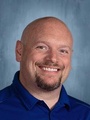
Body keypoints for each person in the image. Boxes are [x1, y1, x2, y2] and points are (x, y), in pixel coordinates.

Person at [0, 17, 90, 120]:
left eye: (63, 51)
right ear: (19, 51)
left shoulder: (86, 114)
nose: (53, 58)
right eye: (42, 47)